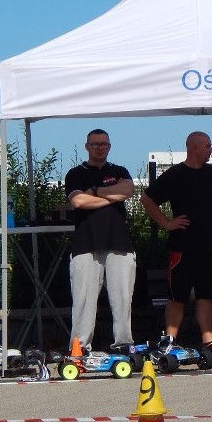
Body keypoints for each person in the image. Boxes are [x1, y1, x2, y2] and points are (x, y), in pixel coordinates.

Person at [139, 131, 212, 357]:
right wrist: (166, 223)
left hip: (210, 245)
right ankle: (170, 342)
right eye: (208, 146)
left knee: (206, 294)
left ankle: (209, 342)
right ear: (194, 148)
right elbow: (146, 199)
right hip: (182, 246)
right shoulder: (175, 174)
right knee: (177, 295)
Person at [64, 128, 136, 351]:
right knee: (83, 300)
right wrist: (111, 197)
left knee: (123, 298)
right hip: (86, 243)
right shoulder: (75, 173)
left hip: (119, 242)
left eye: (104, 144)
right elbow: (78, 202)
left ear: (110, 146)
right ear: (87, 146)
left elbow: (128, 189)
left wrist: (94, 191)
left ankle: (124, 344)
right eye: (95, 144)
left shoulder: (119, 170)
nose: (99, 147)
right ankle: (80, 347)